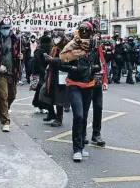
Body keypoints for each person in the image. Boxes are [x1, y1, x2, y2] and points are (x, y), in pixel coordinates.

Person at [59, 21, 101, 163]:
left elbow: (98, 65)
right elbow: (62, 62)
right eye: (81, 30)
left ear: (91, 32)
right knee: (78, 115)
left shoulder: (94, 48)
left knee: (84, 117)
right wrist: (74, 69)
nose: (83, 32)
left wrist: (94, 69)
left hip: (88, 86)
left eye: (86, 30)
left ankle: (82, 144)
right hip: (74, 85)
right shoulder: (72, 46)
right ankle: (76, 149)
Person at [0, 18, 21, 132]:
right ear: (0, 29)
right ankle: (5, 121)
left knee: (12, 96)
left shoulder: (16, 40)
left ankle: (2, 112)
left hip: (12, 73)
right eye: (4, 28)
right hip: (0, 73)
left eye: (8, 28)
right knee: (3, 96)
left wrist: (20, 57)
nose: (6, 30)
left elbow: (20, 54)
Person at [41, 29, 69, 127]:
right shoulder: (55, 47)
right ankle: (51, 113)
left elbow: (66, 59)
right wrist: (49, 58)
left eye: (57, 37)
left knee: (59, 97)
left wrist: (53, 60)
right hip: (52, 73)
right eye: (54, 37)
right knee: (46, 93)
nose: (55, 39)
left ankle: (59, 118)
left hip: (61, 74)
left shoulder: (67, 47)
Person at [32, 33, 53, 116]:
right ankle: (36, 104)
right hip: (39, 73)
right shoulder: (38, 51)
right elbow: (37, 63)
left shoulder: (49, 50)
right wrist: (42, 70)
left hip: (47, 72)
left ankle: (43, 106)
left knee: (45, 90)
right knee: (39, 90)